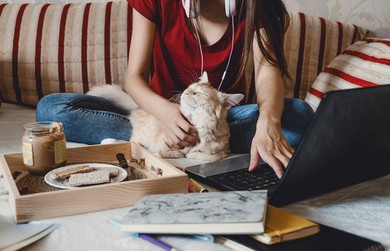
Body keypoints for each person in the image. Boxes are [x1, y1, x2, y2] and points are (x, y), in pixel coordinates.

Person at [37, 0, 314, 178]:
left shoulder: (259, 6)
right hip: (154, 116)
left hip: (219, 121)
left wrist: (268, 122)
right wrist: (168, 115)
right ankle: (165, 139)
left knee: (299, 116)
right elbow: (134, 78)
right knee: (51, 109)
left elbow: (267, 71)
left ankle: (203, 140)